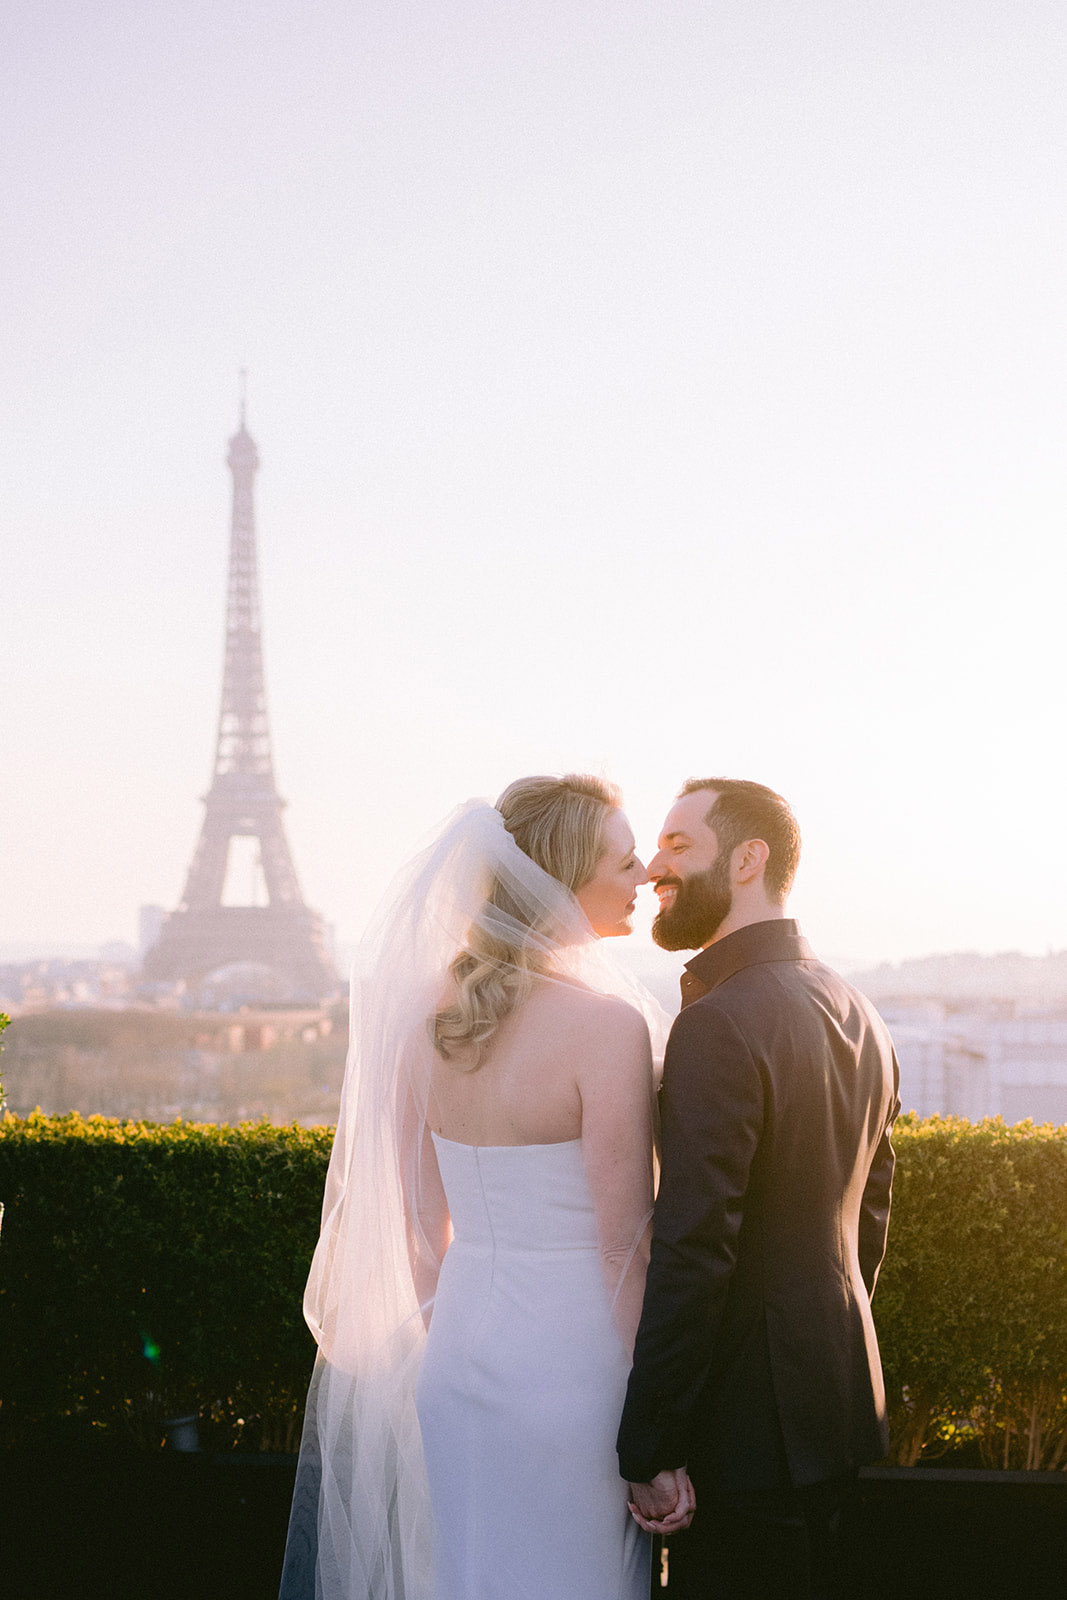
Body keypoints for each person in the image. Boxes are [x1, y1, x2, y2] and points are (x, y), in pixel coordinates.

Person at [279, 775, 668, 1600]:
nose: (644, 877)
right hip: (579, 1375)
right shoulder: (607, 1028)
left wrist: (429, 1353)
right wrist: (657, 1432)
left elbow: (423, 1230)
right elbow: (620, 1248)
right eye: (626, 860)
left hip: (456, 1366)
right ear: (561, 878)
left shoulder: (423, 1018)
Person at [617, 778, 900, 1600]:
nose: (652, 869)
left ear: (748, 859)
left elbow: (695, 1244)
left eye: (677, 845)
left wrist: (651, 1442)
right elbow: (868, 1221)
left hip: (743, 1440)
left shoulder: (719, 1020)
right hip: (838, 1413)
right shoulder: (856, 1008)